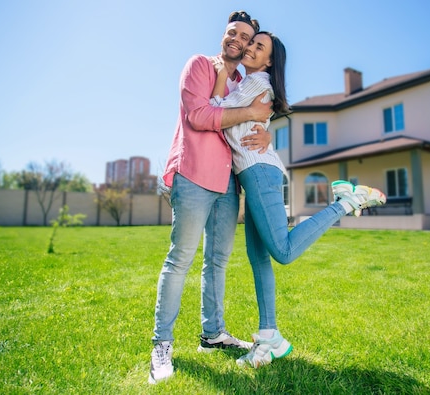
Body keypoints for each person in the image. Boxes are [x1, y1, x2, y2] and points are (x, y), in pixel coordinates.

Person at [209, 31, 387, 368]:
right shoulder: (250, 85)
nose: (250, 49)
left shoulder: (257, 83)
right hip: (255, 174)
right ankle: (269, 339)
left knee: (283, 252)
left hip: (260, 173)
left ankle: (346, 202)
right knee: (258, 258)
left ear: (269, 61)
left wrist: (220, 72)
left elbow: (216, 112)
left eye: (258, 47)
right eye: (251, 44)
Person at [148, 10, 274, 384]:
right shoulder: (200, 65)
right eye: (233, 32)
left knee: (217, 262)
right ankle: (161, 346)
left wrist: (266, 132)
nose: (239, 40)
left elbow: (258, 117)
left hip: (227, 183)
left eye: (247, 37)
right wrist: (248, 110)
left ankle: (212, 334)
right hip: (194, 175)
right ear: (224, 35)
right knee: (180, 259)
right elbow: (199, 116)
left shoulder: (239, 82)